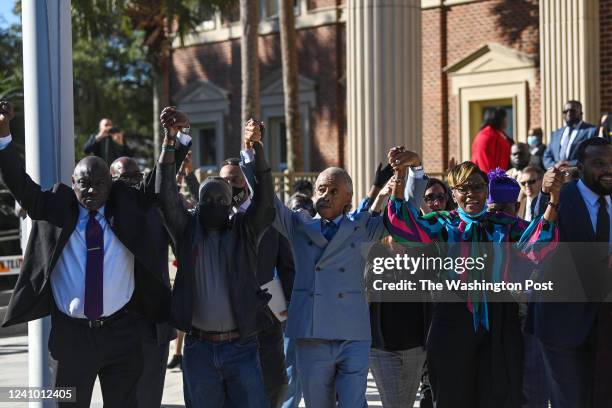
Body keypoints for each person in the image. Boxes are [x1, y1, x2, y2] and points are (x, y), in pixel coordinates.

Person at [0, 101, 174, 408]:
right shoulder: (56, 206)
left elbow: (160, 183)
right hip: (71, 339)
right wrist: (3, 134)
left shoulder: (126, 206)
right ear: (72, 183)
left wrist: (173, 140)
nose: (91, 191)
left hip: (122, 333)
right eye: (84, 185)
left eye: (99, 184)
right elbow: (19, 184)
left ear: (111, 184)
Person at [244, 134, 427, 408]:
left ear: (348, 198)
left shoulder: (364, 226)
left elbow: (406, 215)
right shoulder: (299, 225)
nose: (325, 195)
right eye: (320, 189)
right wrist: (252, 153)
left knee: (353, 403)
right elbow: (266, 201)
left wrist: (415, 169)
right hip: (312, 334)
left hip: (352, 333)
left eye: (333, 191)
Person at [385, 149, 562, 408]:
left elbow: (538, 243)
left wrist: (553, 198)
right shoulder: (444, 223)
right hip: (452, 315)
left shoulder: (504, 224)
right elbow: (402, 225)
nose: (471, 194)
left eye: (477, 187)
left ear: (486, 190)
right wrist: (401, 175)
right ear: (453, 194)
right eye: (463, 188)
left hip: (499, 317)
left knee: (500, 393)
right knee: (451, 394)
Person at [156, 108, 274, 408]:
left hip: (241, 346)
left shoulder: (244, 232)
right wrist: (170, 142)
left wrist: (255, 148)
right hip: (198, 348)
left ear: (231, 204)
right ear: (198, 203)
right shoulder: (186, 230)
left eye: (220, 200)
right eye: (207, 199)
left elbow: (265, 200)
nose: (213, 205)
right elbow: (164, 192)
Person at [528, 137, 612, 408]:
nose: (607, 169)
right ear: (580, 166)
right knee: (571, 402)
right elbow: (539, 242)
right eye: (599, 163)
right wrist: (548, 194)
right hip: (563, 322)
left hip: (606, 323)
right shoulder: (561, 197)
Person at [220, 152, 295, 408]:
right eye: (225, 182)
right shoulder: (210, 220)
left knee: (271, 384)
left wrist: (282, 307)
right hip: (222, 320)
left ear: (247, 182)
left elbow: (288, 267)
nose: (230, 187)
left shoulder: (271, 218)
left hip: (265, 316)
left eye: (236, 181)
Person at [110, 156, 184, 408]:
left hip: (155, 322)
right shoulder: (103, 214)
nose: (131, 183)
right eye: (123, 178)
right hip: (117, 322)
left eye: (136, 177)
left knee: (150, 396)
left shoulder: (157, 210)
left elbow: (185, 251)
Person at [543, 100, 597, 170]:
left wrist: (571, 164)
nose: (569, 113)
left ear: (581, 113)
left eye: (572, 111)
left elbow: (593, 154)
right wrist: (555, 166)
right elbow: (547, 156)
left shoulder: (591, 131)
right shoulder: (556, 133)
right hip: (557, 175)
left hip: (579, 176)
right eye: (565, 111)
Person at [471, 107, 513, 173]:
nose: (507, 121)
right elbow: (485, 163)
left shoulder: (499, 133)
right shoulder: (486, 135)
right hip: (491, 179)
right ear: (500, 119)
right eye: (505, 118)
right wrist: (491, 180)